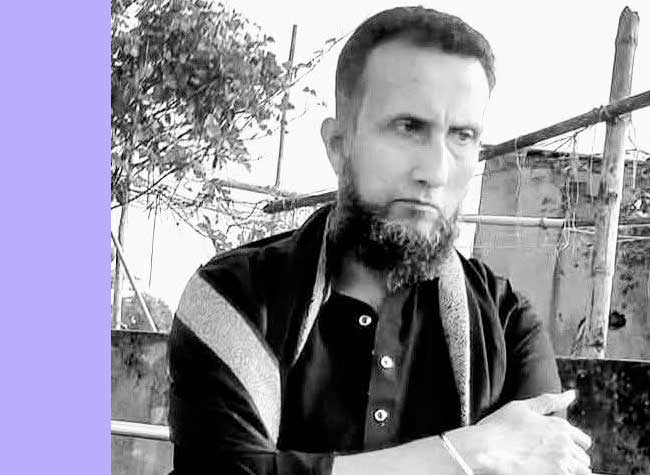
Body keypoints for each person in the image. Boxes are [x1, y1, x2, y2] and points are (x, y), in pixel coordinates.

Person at [168, 6, 592, 475]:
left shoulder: (507, 326)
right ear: (338, 145)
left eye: (462, 136)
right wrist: (465, 455)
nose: (435, 171)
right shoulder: (236, 296)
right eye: (408, 128)